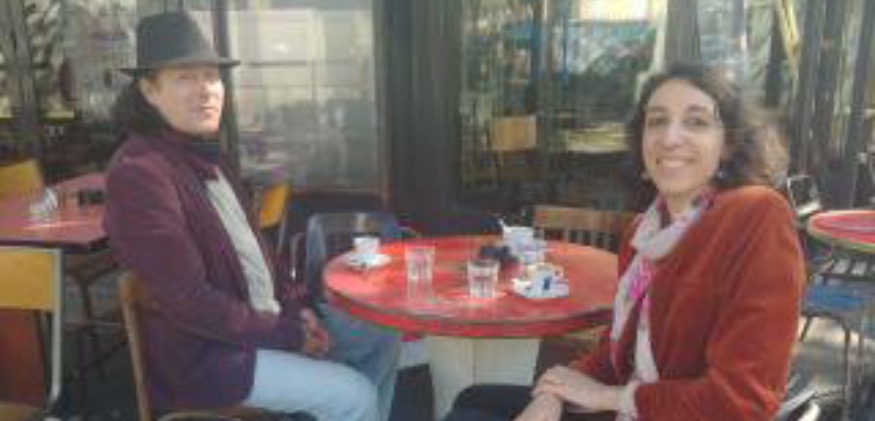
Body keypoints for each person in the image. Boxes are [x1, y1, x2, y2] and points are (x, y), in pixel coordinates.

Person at [444, 62, 805, 421]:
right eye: (657, 121)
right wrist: (552, 394)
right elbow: (614, 356)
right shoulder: (642, 234)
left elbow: (741, 404)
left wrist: (608, 397)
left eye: (696, 121)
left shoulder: (756, 216)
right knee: (473, 399)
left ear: (728, 143)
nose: (670, 137)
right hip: (630, 404)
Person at [103, 11, 399, 421]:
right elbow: (190, 302)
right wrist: (290, 335)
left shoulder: (209, 157)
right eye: (185, 78)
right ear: (149, 90)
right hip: (208, 359)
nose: (205, 90)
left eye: (212, 76)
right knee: (354, 397)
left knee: (380, 335)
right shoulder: (139, 172)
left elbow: (261, 256)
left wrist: (298, 309)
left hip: (259, 324)